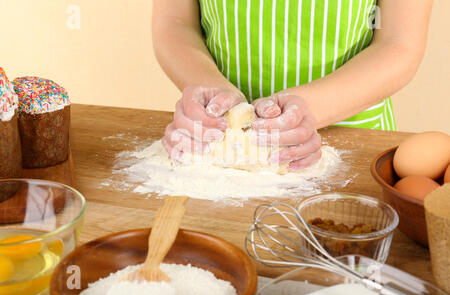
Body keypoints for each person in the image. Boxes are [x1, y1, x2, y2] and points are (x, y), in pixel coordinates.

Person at [153, 0, 432, 170]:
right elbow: (175, 23)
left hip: (353, 148)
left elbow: (400, 43)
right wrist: (214, 96)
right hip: (218, 145)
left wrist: (308, 109)